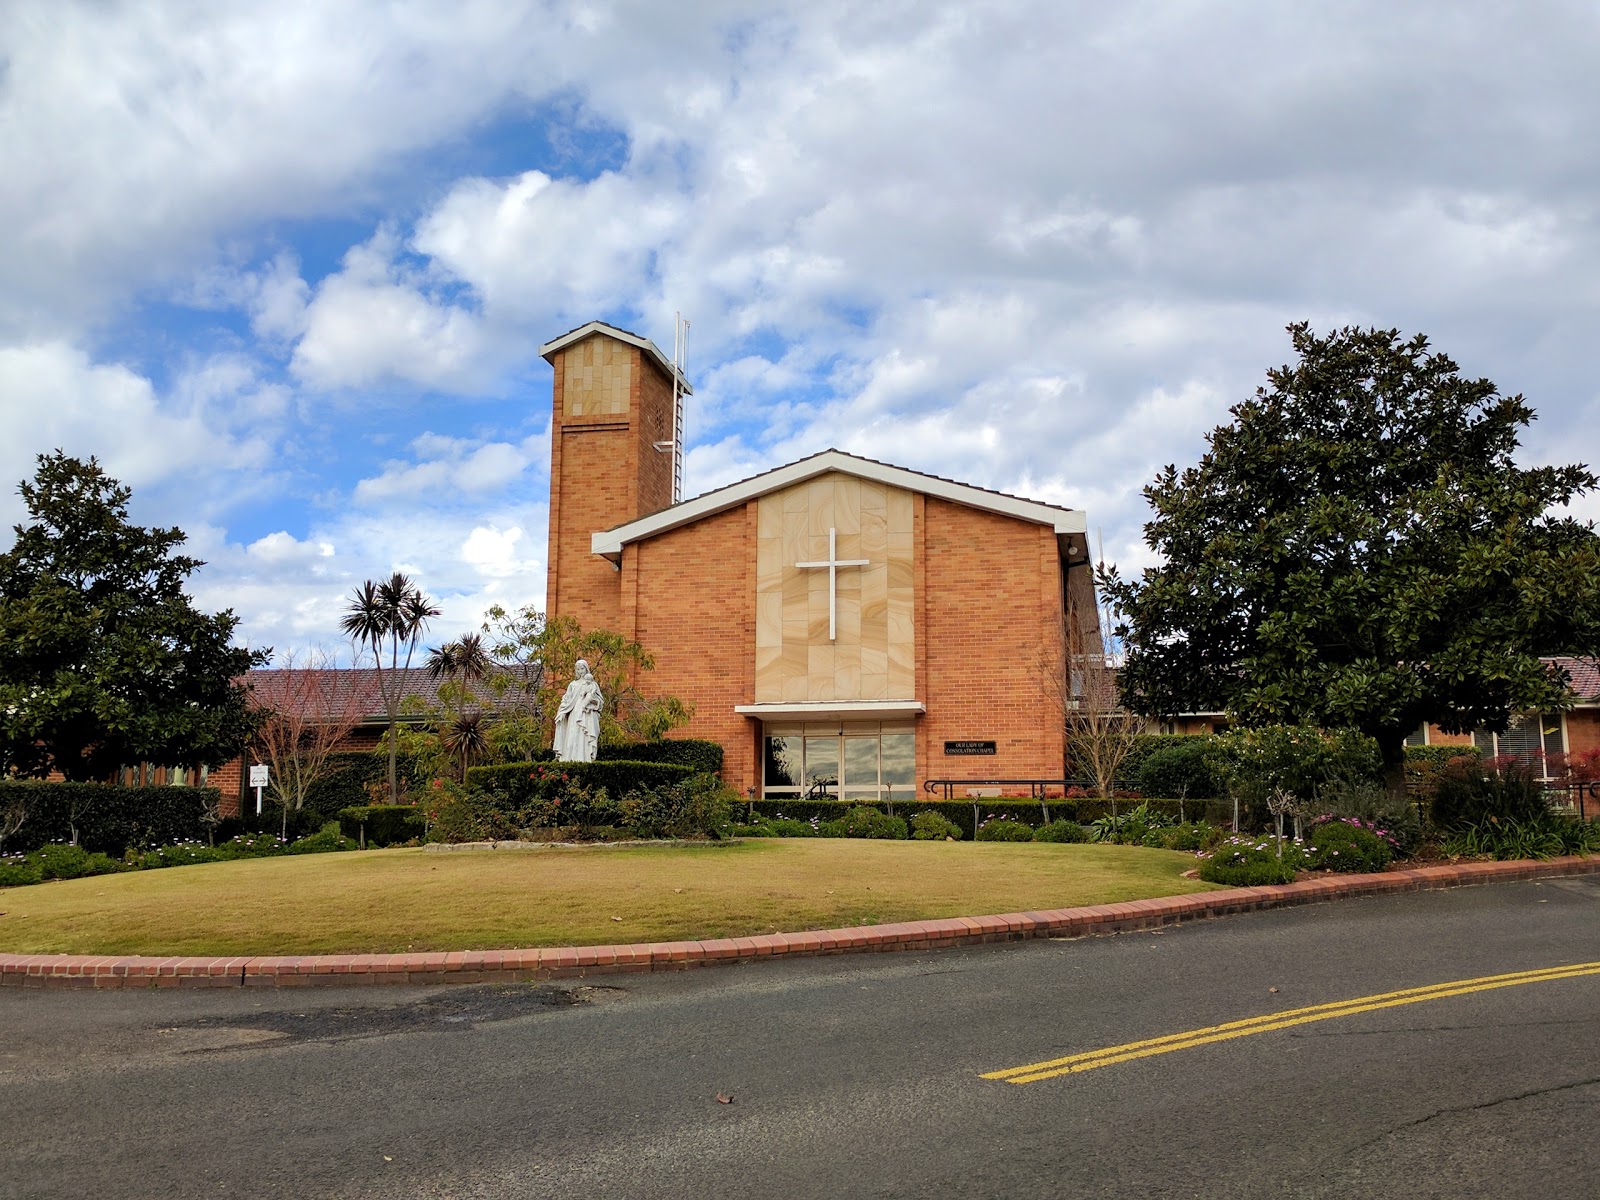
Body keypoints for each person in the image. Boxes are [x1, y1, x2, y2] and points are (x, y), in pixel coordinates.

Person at [552, 659, 603, 762]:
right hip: (574, 714)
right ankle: (569, 760)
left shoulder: (593, 684)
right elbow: (566, 700)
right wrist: (562, 712)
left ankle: (585, 759)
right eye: (578, 669)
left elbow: (600, 701)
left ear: (586, 669)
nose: (580, 671)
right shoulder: (573, 684)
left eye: (582, 668)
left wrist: (592, 701)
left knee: (584, 737)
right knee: (572, 736)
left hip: (586, 714)